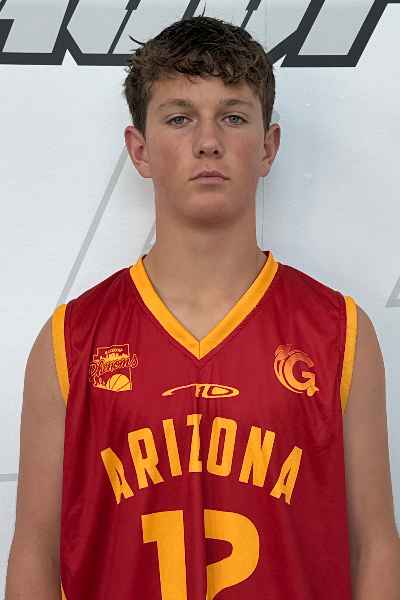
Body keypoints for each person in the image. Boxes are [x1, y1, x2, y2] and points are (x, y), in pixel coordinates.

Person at [5, 14, 400, 600]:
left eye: (233, 116)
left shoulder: (339, 332)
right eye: (180, 117)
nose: (208, 140)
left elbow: (374, 548)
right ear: (140, 150)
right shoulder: (71, 340)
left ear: (268, 147)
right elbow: (34, 556)